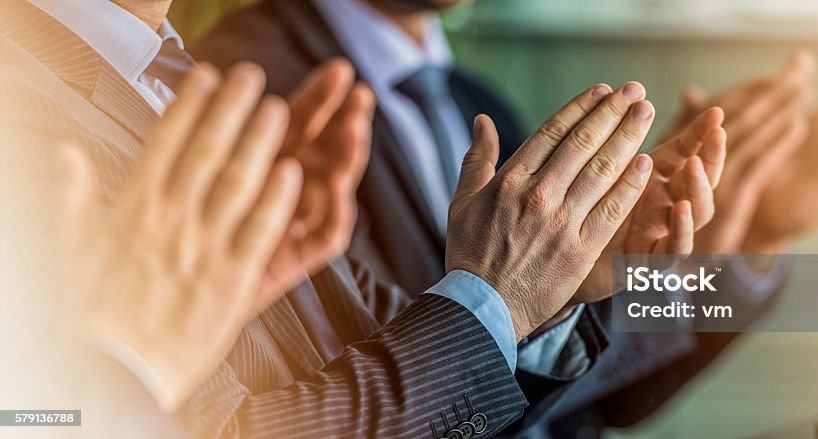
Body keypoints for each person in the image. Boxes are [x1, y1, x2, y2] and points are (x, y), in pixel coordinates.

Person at [1, 1, 722, 437]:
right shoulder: (26, 117)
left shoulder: (181, 80)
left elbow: (377, 340)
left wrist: (542, 293)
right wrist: (499, 296)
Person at [195, 0, 818, 435]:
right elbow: (389, 374)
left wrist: (744, 238)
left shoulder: (472, 94)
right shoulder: (244, 78)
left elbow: (591, 397)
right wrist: (518, 294)